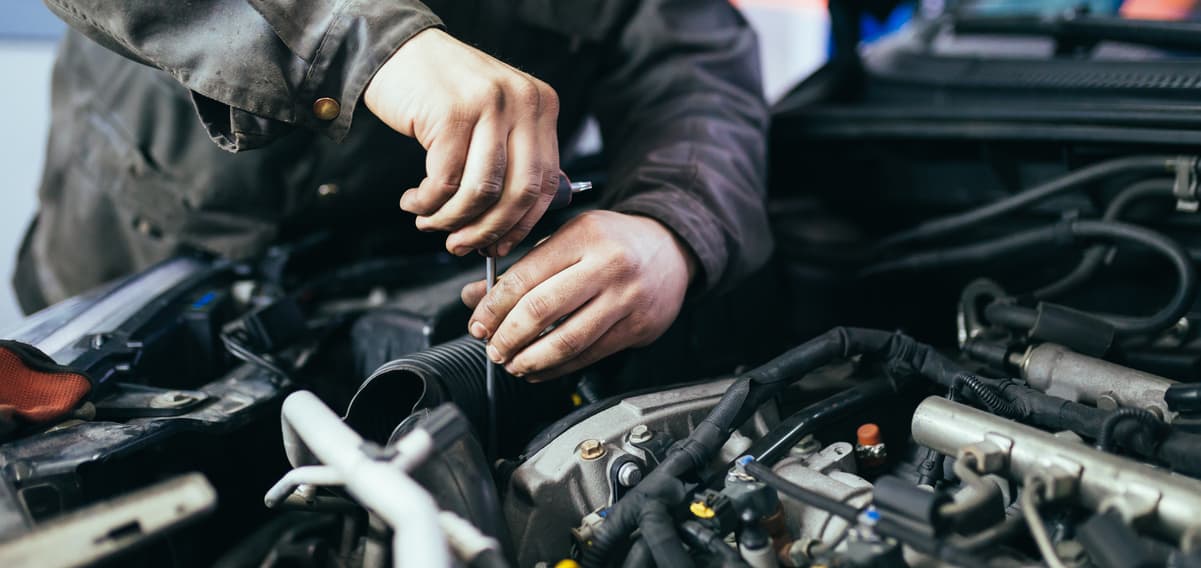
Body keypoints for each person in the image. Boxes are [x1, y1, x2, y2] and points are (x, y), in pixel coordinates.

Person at [16, 0, 772, 381]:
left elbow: (693, 65)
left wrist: (671, 224)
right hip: (135, 274)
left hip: (411, 289)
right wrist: (360, 41)